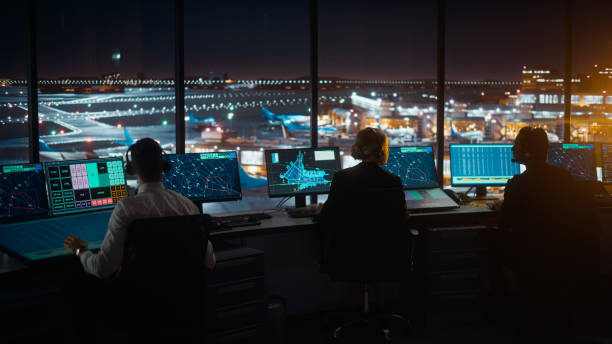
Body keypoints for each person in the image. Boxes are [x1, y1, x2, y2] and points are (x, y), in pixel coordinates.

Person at [64, 138, 215, 278]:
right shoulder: (188, 206)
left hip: (138, 301)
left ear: (131, 168)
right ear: (164, 166)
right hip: (183, 301)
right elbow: (209, 262)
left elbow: (101, 268)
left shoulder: (126, 209)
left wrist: (80, 250)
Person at [497, 127, 598, 336]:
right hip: (562, 260)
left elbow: (506, 224)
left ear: (526, 152)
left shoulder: (518, 185)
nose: (512, 149)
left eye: (516, 145)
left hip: (532, 262)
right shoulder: (564, 178)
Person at [315, 127, 409, 311]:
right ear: (382, 149)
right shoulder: (393, 181)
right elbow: (402, 218)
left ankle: (352, 312)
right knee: (378, 253)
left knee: (359, 255)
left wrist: (321, 211)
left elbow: (327, 218)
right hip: (385, 256)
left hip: (349, 255)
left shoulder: (342, 178)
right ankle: (380, 312)